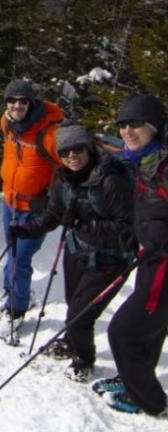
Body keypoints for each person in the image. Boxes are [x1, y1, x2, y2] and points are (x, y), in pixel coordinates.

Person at [10, 122, 134, 382]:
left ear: (87, 147)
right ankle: (71, 343)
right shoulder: (63, 179)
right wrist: (28, 229)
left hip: (109, 260)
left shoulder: (110, 181)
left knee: (79, 314)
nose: (72, 156)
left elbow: (127, 229)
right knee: (73, 304)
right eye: (65, 152)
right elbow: (54, 213)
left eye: (77, 149)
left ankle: (84, 358)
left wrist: (84, 224)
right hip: (77, 252)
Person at [99, 94, 168, 416]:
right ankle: (133, 381)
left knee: (123, 332)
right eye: (123, 124)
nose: (127, 130)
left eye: (136, 124)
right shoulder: (142, 161)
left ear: (154, 127)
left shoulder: (163, 165)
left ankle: (150, 401)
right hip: (151, 258)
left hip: (164, 265)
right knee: (151, 329)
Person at [0, 79, 64, 327]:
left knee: (19, 258)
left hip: (35, 208)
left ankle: (17, 307)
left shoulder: (50, 133)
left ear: (32, 103)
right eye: (11, 100)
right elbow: (10, 154)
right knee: (11, 251)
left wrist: (56, 202)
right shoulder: (7, 122)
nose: (16, 105)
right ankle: (10, 291)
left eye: (23, 101)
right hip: (10, 202)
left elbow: (69, 167)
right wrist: (2, 176)